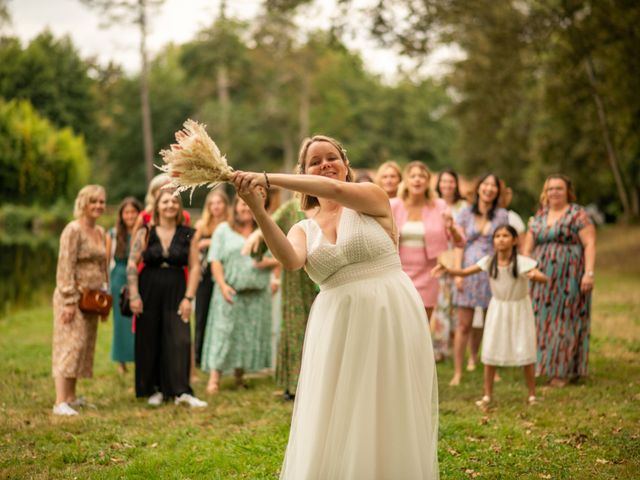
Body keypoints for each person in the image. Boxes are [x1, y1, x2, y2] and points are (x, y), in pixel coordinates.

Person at [231, 135, 438, 479]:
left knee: (386, 402)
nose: (325, 164)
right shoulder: (303, 227)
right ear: (305, 171)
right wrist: (257, 207)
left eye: (332, 157)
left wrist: (268, 177)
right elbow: (289, 260)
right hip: (336, 322)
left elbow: (338, 193)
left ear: (345, 165)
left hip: (388, 311)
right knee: (341, 406)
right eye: (315, 161)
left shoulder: (370, 197)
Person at [434, 225, 548, 406]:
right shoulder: (489, 261)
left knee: (525, 347)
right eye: (497, 236)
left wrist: (534, 275)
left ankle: (532, 394)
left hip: (519, 309)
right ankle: (487, 395)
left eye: (505, 236)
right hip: (498, 308)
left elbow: (543, 277)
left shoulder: (523, 262)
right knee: (491, 348)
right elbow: (464, 272)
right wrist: (448, 270)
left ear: (514, 240)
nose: (501, 239)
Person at [127, 189, 207, 408]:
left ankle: (181, 391)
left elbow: (195, 265)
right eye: (165, 201)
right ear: (156, 205)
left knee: (180, 339)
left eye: (174, 201)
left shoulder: (188, 233)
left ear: (179, 206)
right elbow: (132, 262)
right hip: (148, 286)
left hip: (176, 287)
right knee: (149, 338)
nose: (170, 205)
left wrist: (188, 298)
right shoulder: (145, 231)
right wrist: (134, 294)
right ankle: (154, 389)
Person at [523, 174, 596, 387]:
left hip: (570, 277)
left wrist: (588, 273)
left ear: (568, 191)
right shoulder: (539, 216)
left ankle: (563, 372)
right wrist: (529, 268)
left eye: (559, 188)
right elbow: (527, 247)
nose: (554, 192)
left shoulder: (577, 214)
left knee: (566, 320)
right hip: (541, 279)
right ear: (545, 193)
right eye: (550, 189)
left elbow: (590, 244)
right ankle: (544, 366)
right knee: (543, 321)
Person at [200, 195, 278, 394]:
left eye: (250, 204)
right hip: (230, 290)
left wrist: (268, 267)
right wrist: (222, 285)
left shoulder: (265, 231)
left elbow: (279, 257)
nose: (246, 208)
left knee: (248, 335)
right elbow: (215, 260)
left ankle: (239, 376)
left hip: (257, 292)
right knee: (224, 333)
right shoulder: (223, 230)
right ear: (235, 207)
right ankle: (214, 379)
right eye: (243, 204)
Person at [242, 197, 318, 401]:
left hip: (326, 278)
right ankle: (295, 386)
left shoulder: (333, 204)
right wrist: (257, 235)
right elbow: (270, 224)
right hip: (297, 282)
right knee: (297, 329)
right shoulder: (290, 209)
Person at [52, 185, 108, 416]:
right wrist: (68, 300)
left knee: (83, 346)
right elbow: (65, 265)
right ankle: (59, 402)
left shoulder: (100, 232)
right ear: (83, 204)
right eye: (93, 201)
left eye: (102, 202)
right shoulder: (72, 230)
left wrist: (104, 298)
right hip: (73, 297)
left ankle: (71, 398)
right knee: (70, 345)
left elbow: (102, 266)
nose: (98, 206)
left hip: (92, 299)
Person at [451, 173, 508, 386]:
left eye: (493, 186)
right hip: (467, 271)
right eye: (485, 184)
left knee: (488, 321)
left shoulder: (502, 215)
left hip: (491, 272)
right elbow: (459, 244)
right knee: (464, 324)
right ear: (479, 188)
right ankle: (458, 371)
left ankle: (490, 364)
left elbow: (505, 243)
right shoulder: (465, 213)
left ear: (497, 192)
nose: (489, 189)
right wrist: (457, 272)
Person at [390, 162, 465, 322]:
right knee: (400, 322)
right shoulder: (394, 205)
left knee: (422, 324)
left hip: (429, 274)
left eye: (422, 176)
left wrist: (451, 227)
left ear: (428, 181)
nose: (417, 180)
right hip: (398, 272)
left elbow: (460, 242)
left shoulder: (439, 206)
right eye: (413, 176)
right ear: (406, 180)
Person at [433, 169, 469, 360]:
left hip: (457, 257)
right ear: (439, 184)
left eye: (451, 182)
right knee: (439, 305)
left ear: (456, 184)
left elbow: (463, 237)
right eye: (443, 181)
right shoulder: (433, 204)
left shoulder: (463, 207)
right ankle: (438, 349)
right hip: (436, 259)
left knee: (456, 305)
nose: (447, 185)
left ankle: (456, 349)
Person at [192, 189, 230, 369]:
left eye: (219, 202)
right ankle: (198, 356)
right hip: (205, 275)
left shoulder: (231, 224)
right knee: (202, 315)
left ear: (225, 205)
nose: (216, 206)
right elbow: (194, 246)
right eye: (212, 203)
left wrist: (211, 242)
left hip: (225, 274)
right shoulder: (202, 225)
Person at [106, 197, 142, 374]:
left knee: (137, 320)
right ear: (121, 215)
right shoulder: (113, 234)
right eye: (126, 212)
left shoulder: (143, 232)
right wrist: (106, 284)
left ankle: (138, 356)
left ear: (139, 213)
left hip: (138, 276)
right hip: (119, 278)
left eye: (133, 212)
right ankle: (121, 360)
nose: (130, 216)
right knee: (121, 321)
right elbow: (106, 260)